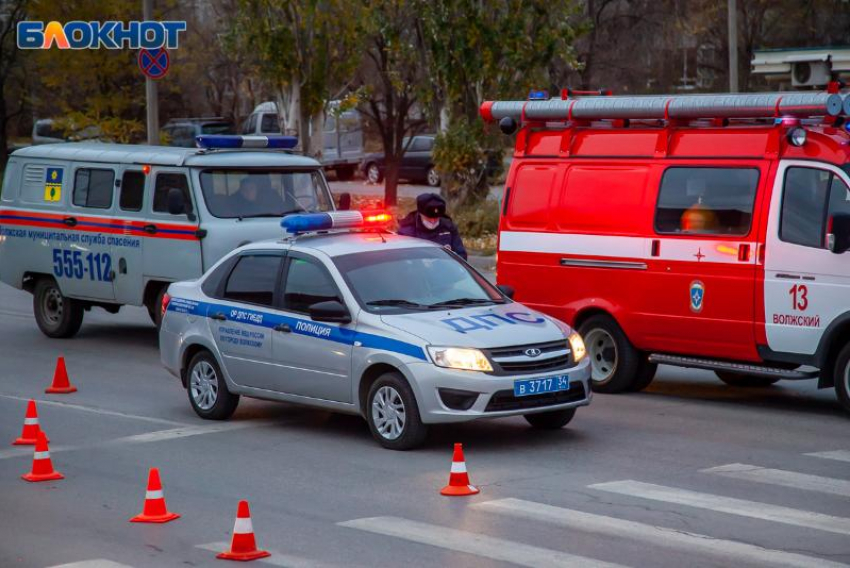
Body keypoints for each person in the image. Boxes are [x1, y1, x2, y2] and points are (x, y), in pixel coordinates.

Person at [398, 193, 467, 259]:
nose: (433, 221)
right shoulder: (406, 232)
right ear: (420, 214)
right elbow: (402, 258)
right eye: (428, 218)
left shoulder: (448, 227)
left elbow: (461, 255)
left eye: (436, 218)